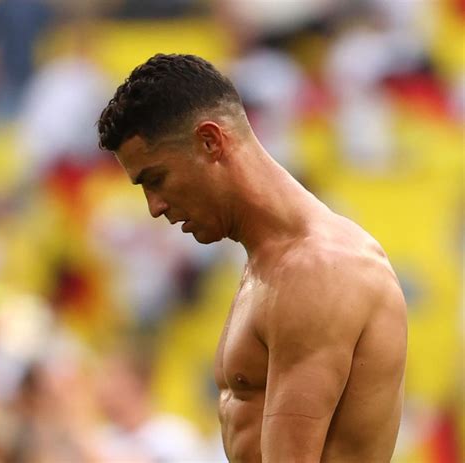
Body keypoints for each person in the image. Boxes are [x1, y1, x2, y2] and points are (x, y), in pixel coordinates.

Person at [97, 53, 407, 462]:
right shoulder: (270, 262)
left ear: (210, 141)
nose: (154, 207)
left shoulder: (316, 270)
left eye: (156, 179)